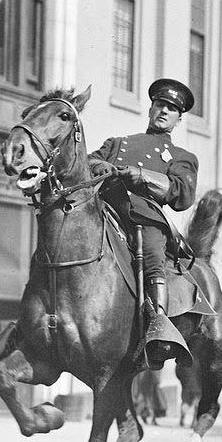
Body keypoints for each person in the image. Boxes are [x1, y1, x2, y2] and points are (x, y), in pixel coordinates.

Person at [88, 78, 197, 369]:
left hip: (144, 219)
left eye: (171, 109)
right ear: (150, 108)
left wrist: (142, 176)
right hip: (106, 209)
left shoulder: (181, 157)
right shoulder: (119, 143)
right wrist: (104, 166)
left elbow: (181, 194)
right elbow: (88, 162)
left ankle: (158, 327)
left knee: (152, 255)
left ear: (178, 119)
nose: (163, 111)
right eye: (160, 105)